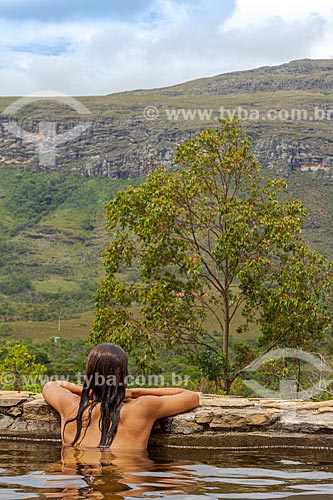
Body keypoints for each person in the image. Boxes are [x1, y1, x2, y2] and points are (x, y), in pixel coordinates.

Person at [43, 343, 200, 450]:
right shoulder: (141, 408)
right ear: (124, 375)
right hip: (126, 484)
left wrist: (90, 392)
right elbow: (191, 396)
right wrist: (135, 392)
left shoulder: (72, 407)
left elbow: (52, 385)